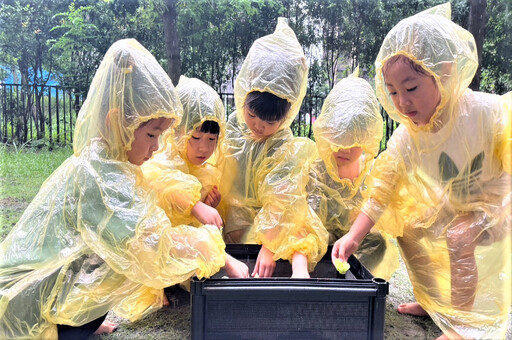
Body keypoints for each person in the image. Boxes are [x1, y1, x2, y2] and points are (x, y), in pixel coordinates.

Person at [0, 39, 235, 340]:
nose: (156, 146)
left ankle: (79, 321)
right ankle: (67, 327)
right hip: (23, 308)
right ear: (117, 123)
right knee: (129, 258)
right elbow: (152, 247)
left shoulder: (109, 159)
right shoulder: (100, 173)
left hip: (45, 288)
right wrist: (215, 251)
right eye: (151, 134)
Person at [332, 3, 511, 339]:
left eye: (411, 88)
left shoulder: (483, 112)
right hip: (454, 207)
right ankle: (433, 302)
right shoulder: (407, 138)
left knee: (460, 234)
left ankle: (463, 326)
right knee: (410, 224)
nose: (402, 102)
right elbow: (381, 191)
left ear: (443, 72)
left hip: (498, 207)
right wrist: (352, 237)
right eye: (394, 92)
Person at [219, 17, 329, 279]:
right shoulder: (233, 126)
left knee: (301, 219)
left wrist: (269, 245)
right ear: (244, 95)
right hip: (231, 220)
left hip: (269, 225)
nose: (258, 127)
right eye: (252, 115)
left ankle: (297, 272)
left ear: (288, 112)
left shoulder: (282, 144)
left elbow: (283, 199)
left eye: (270, 122)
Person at [142, 75, 249, 278]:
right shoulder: (164, 157)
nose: (204, 147)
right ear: (178, 132)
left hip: (184, 251)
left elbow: (196, 221)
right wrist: (195, 205)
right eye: (196, 137)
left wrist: (209, 204)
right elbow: (159, 183)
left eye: (212, 139)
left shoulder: (206, 169)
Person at [307, 70, 399, 280]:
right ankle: (325, 276)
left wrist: (355, 232)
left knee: (378, 243)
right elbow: (309, 218)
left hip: (356, 243)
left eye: (353, 142)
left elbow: (380, 208)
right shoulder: (318, 169)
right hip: (324, 242)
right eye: (340, 139)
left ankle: (355, 279)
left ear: (367, 138)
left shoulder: (371, 172)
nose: (345, 150)